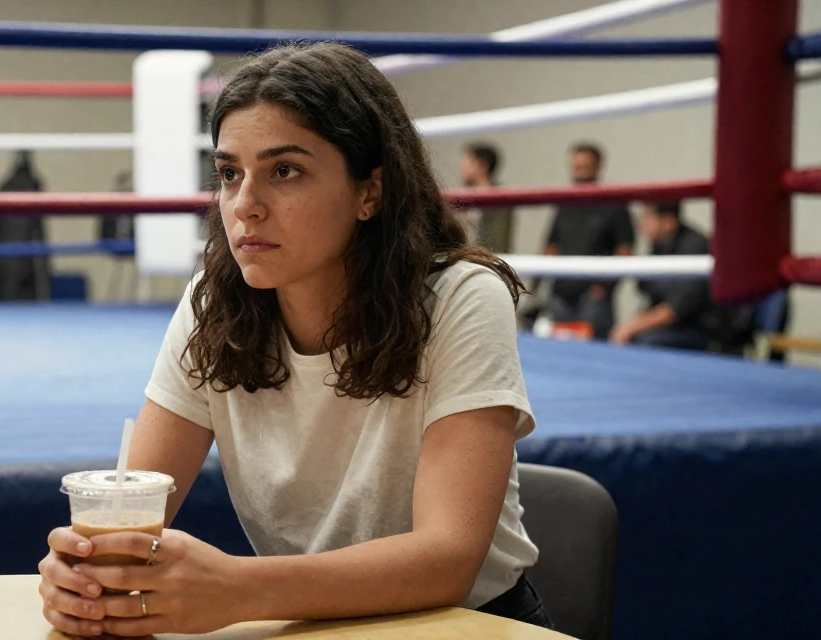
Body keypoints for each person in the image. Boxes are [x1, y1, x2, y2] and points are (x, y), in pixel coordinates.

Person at [37, 42, 551, 638]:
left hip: (468, 625)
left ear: (369, 192)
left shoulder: (461, 295)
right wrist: (85, 578)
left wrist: (238, 588)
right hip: (314, 625)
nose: (245, 206)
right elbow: (136, 506)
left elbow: (448, 559)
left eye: (285, 171)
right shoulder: (214, 303)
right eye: (230, 174)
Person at [541, 142, 634, 339]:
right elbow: (551, 245)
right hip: (561, 293)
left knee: (593, 357)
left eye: (585, 166)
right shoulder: (565, 203)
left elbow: (625, 249)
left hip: (594, 297)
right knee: (559, 354)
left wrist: (604, 287)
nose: (580, 172)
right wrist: (537, 282)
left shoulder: (614, 203)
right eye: (576, 167)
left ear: (598, 166)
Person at [609, 201, 715, 350]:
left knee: (644, 340)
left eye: (648, 217)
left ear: (668, 222)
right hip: (673, 327)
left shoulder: (695, 247)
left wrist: (632, 326)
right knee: (629, 333)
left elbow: (676, 309)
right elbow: (648, 294)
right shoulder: (658, 247)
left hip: (698, 329)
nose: (642, 223)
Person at [0, 151, 52, 301]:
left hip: (5, 258)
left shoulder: (5, 185)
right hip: (24, 257)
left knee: (6, 300)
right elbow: (39, 231)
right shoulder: (32, 186)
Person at [457, 141, 513, 254]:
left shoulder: (500, 198)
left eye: (467, 161)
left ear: (482, 165)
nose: (461, 166)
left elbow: (498, 240)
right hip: (463, 260)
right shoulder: (461, 196)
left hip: (486, 261)